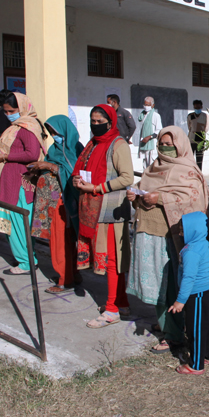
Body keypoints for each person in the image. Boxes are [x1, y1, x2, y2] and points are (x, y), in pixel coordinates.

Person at [127, 126, 209, 354]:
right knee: (157, 284)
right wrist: (135, 194)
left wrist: (162, 197)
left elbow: (194, 202)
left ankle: (173, 335)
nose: (166, 148)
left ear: (181, 144)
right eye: (162, 143)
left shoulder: (188, 171)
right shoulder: (154, 167)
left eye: (170, 144)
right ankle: (166, 324)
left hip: (173, 237)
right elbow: (143, 190)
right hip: (149, 233)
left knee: (171, 285)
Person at [74, 104, 134, 328]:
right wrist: (78, 182)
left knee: (111, 260)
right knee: (112, 259)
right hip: (93, 208)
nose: (95, 125)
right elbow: (81, 168)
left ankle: (111, 310)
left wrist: (96, 187)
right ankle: (121, 303)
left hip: (110, 210)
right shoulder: (91, 144)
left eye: (100, 122)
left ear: (111, 122)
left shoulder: (118, 145)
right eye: (93, 121)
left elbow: (127, 177)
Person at [0, 92, 44, 274]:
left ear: (22, 108)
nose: (9, 114)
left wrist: (5, 156)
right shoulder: (18, 125)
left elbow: (32, 154)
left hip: (20, 181)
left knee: (18, 222)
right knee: (19, 222)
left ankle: (25, 262)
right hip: (13, 179)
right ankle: (27, 258)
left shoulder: (27, 127)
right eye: (6, 111)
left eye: (12, 110)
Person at [29, 115, 84, 293]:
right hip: (52, 203)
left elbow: (74, 172)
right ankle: (72, 274)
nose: (54, 136)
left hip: (63, 203)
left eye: (56, 132)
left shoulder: (74, 150)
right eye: (51, 132)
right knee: (63, 240)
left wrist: (50, 167)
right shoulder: (55, 148)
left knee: (61, 240)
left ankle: (64, 279)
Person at [167, 211, 209, 375]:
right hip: (206, 292)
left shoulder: (191, 251)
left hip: (196, 296)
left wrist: (180, 301)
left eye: (183, 230)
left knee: (195, 330)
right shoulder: (204, 244)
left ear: (193, 231)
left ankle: (196, 365)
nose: (181, 233)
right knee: (206, 327)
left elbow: (189, 277)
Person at [137, 96, 163, 168]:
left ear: (153, 105)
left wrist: (149, 137)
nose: (146, 106)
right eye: (145, 104)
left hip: (151, 144)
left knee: (152, 164)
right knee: (145, 164)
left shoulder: (156, 115)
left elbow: (159, 130)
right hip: (144, 143)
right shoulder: (142, 115)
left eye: (148, 105)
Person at [188, 100, 208, 170]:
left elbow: (206, 127)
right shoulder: (190, 116)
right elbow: (189, 127)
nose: (197, 109)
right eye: (196, 108)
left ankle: (199, 172)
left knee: (199, 158)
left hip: (200, 139)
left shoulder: (205, 116)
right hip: (191, 139)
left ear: (201, 107)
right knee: (190, 158)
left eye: (198, 107)